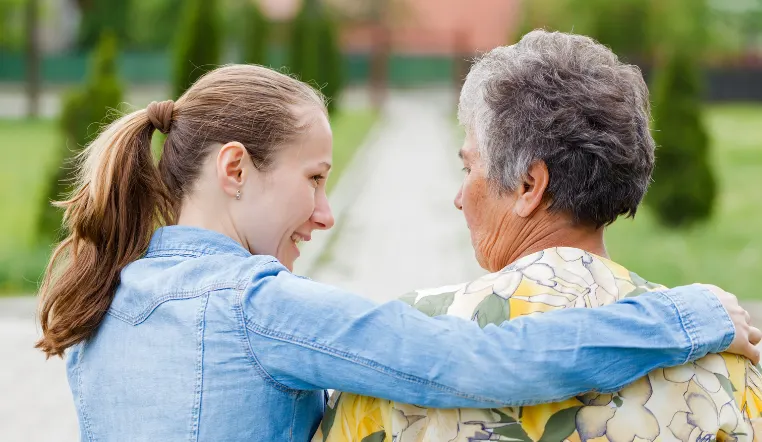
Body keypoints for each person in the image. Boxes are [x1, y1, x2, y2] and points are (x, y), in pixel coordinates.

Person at [36, 64, 758, 441]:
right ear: (234, 170)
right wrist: (685, 316)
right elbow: (481, 364)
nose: (324, 213)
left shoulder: (100, 300)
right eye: (315, 179)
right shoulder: (257, 306)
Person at [315, 30, 762, 442]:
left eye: (469, 167)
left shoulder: (408, 346)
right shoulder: (724, 359)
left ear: (529, 185)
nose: (458, 197)